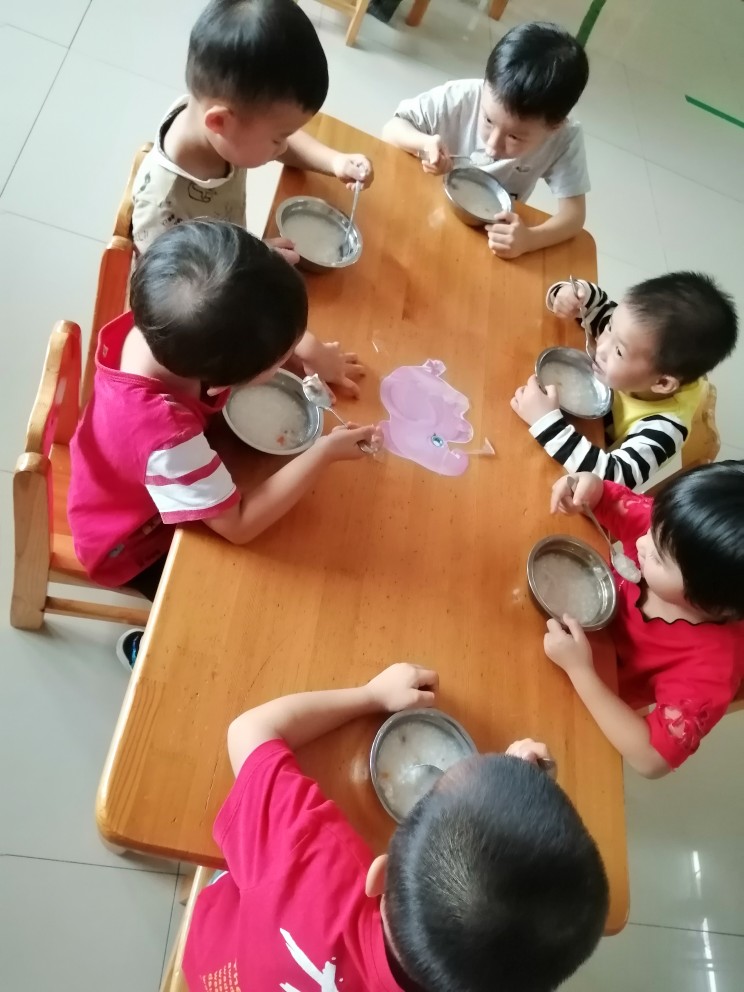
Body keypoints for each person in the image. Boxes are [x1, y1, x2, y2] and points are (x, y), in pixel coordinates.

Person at [182, 661, 609, 990]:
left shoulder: (316, 865)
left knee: (249, 855)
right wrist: (516, 795)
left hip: (217, 968)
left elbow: (250, 730)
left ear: (380, 875)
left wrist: (370, 694)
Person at [68, 221, 378, 616]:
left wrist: (308, 345)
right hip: (130, 543)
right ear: (220, 386)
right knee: (233, 607)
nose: (291, 359)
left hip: (119, 469)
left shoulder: (161, 316)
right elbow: (240, 525)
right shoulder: (168, 439)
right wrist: (324, 452)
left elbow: (228, 299)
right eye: (280, 360)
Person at [132, 0, 373, 393]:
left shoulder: (209, 123)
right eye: (279, 138)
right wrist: (300, 345)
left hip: (225, 271)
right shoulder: (163, 208)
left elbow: (267, 136)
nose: (283, 146)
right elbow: (194, 316)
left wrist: (334, 161)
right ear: (220, 122)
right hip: (196, 343)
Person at [544, 463, 744, 777]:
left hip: (588, 696)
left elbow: (651, 760)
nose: (641, 542)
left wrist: (580, 670)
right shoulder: (671, 530)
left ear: (712, 602)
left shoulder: (710, 668)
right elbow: (606, 499)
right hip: (564, 622)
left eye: (658, 558)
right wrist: (587, 487)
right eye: (653, 529)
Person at [511, 272, 738, 489]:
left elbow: (610, 478)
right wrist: (570, 294)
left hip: (590, 442)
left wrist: (546, 423)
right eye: (610, 327)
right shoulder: (631, 332)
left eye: (619, 352)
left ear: (662, 384)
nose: (601, 347)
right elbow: (594, 303)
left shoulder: (665, 430)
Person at [382, 22, 590, 259]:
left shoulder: (564, 138)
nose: (491, 146)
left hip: (488, 237)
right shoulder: (461, 98)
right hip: (421, 206)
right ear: (485, 84)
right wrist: (423, 143)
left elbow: (574, 216)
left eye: (514, 137)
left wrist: (530, 239)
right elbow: (391, 130)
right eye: (488, 120)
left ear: (555, 126)